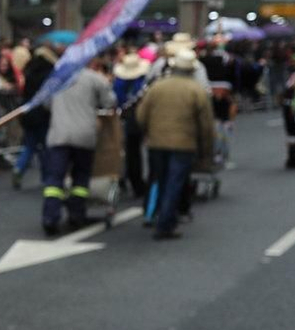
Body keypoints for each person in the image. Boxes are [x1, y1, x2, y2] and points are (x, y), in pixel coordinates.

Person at [136, 50, 214, 240]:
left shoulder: (157, 87)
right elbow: (206, 125)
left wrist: (148, 132)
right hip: (184, 143)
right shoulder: (197, 91)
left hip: (157, 142)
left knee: (161, 181)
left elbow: (141, 115)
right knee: (175, 182)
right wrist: (206, 151)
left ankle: (161, 216)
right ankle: (166, 223)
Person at [40, 56, 114, 235]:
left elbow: (46, 103)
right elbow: (110, 102)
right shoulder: (94, 78)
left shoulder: (56, 79)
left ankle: (50, 216)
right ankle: (76, 213)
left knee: (55, 179)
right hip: (85, 135)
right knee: (81, 177)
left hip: (59, 135)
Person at [12, 43, 55, 189]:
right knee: (45, 146)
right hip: (43, 114)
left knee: (29, 145)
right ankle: (47, 176)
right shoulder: (50, 72)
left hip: (28, 113)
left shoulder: (29, 71)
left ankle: (18, 168)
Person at [112, 52, 151, 197]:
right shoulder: (141, 84)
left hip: (119, 118)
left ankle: (122, 177)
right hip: (136, 119)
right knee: (134, 153)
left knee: (122, 150)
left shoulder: (118, 83)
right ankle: (137, 184)